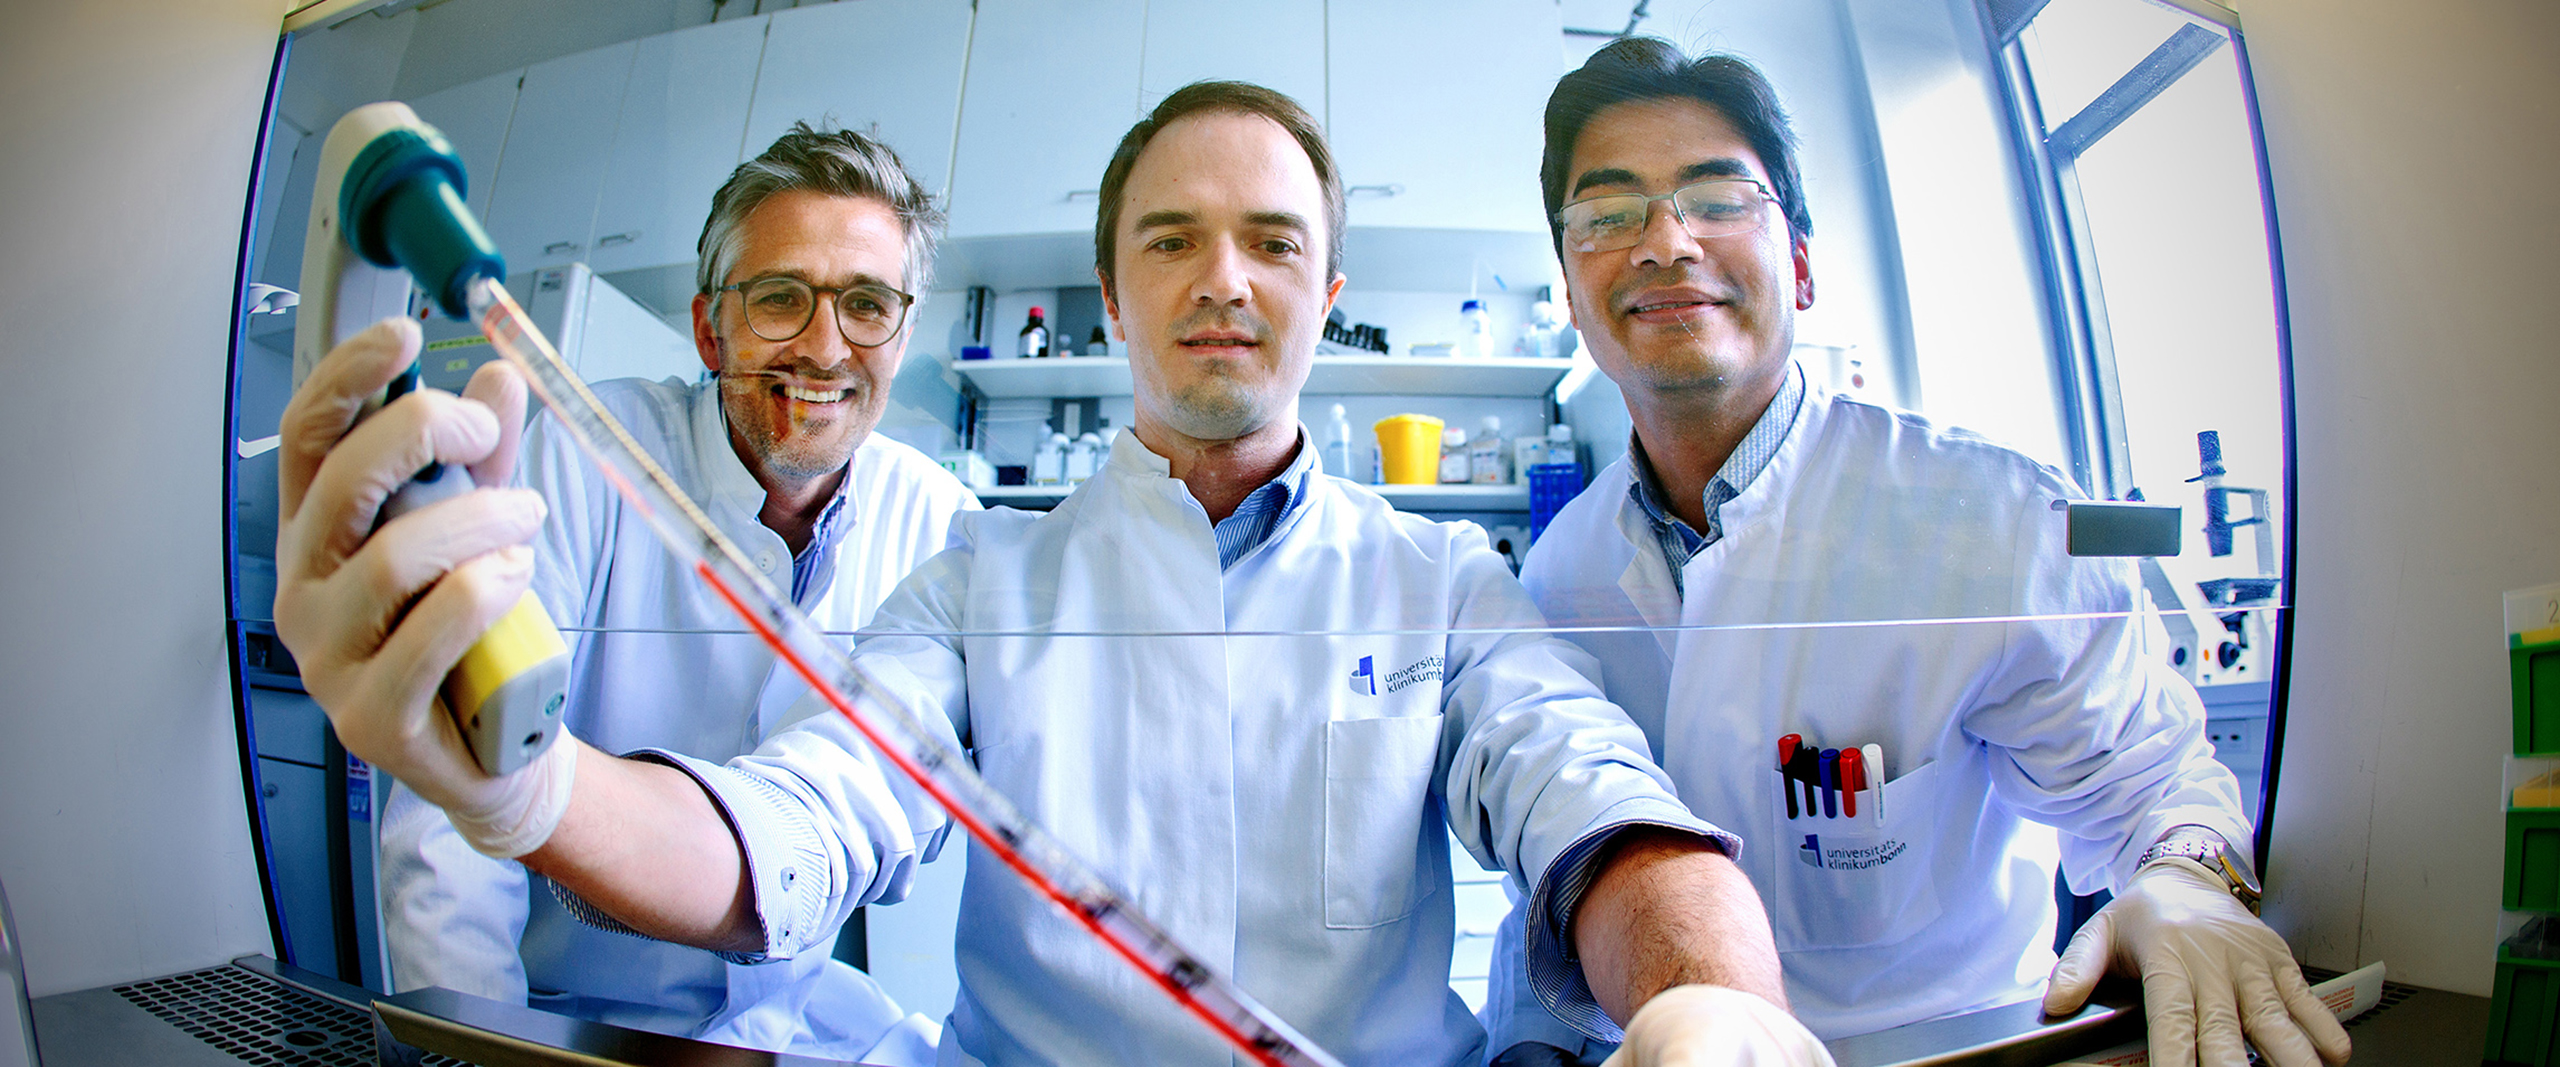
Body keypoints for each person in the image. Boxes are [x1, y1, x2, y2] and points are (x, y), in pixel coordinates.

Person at [275, 81, 1837, 1066]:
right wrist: (527, 796)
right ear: (1107, 294)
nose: (1223, 276)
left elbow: (1600, 805)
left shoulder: (1441, 579)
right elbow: (794, 823)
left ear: (1329, 294)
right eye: (1171, 239)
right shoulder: (981, 577)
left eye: (1274, 243)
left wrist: (1715, 1010)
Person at [1480, 39, 2353, 1067]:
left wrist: (2184, 880)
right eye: (1608, 214)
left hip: (1946, 1052)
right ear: (1574, 295)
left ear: (1800, 268)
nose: (1666, 242)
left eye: (1718, 199)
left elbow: (2153, 792)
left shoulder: (1989, 517)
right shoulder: (1557, 567)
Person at [369, 122, 978, 1064]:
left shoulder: (938, 517)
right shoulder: (583, 457)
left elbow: (909, 817)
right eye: (781, 298)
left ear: (901, 335)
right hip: (564, 1013)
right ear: (708, 328)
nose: (824, 349)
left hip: (799, 1020)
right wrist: (480, 1045)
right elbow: (452, 813)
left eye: (867, 304)